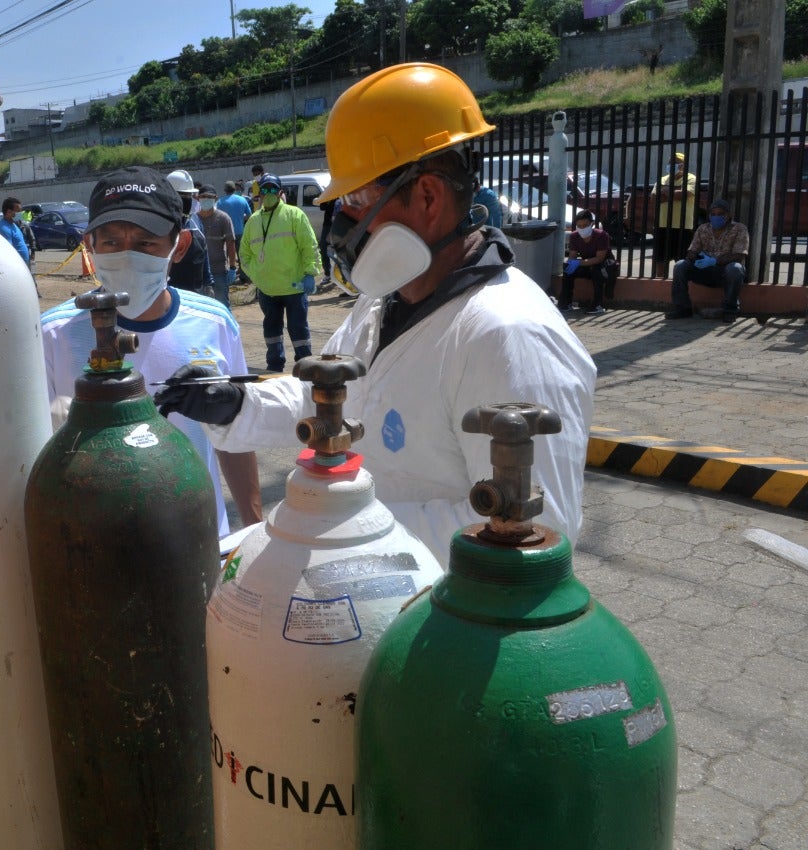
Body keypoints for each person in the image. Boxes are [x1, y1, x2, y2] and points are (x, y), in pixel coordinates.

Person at [156, 63, 595, 566]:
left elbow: (535, 536)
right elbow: (327, 399)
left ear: (427, 197)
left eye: (358, 201)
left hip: (445, 627)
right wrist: (236, 405)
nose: (343, 224)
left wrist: (339, 528)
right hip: (375, 602)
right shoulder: (384, 302)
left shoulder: (508, 335)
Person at [40, 165, 263, 534]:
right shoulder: (53, 335)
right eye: (111, 242)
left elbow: (235, 434)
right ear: (90, 245)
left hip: (200, 538)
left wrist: (254, 530)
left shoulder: (214, 322)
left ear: (179, 246)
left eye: (146, 243)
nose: (128, 256)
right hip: (92, 543)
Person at [238, 173, 321, 372]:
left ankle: (305, 368)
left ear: (281, 192)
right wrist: (257, 276)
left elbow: (309, 246)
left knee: (298, 330)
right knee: (272, 331)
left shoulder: (294, 215)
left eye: (272, 189)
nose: (268, 193)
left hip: (294, 288)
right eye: (264, 190)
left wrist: (310, 273)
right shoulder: (253, 221)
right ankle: (274, 370)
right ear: (259, 194)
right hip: (268, 291)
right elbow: (245, 254)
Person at [667, 198, 749, 323]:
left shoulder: (739, 229)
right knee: (680, 265)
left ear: (728, 215)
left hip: (724, 272)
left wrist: (715, 261)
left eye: (720, 214)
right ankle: (682, 308)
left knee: (735, 268)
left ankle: (730, 310)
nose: (716, 217)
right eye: (713, 214)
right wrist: (696, 257)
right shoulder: (703, 229)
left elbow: (739, 255)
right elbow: (691, 251)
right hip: (704, 271)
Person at [165, 169, 214, 296]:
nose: (187, 200)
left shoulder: (195, 220)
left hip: (196, 292)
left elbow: (204, 253)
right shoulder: (160, 225)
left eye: (189, 196)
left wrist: (209, 283)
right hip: (170, 295)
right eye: (182, 196)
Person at [557, 209, 613, 315]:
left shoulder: (602, 235)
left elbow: (599, 258)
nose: (582, 228)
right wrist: (570, 265)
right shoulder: (574, 236)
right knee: (568, 269)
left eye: (585, 225)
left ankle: (598, 305)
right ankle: (565, 303)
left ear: (591, 224)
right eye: (579, 225)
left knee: (596, 269)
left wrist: (578, 263)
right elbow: (572, 257)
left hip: (605, 266)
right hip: (587, 265)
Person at [650, 151, 696, 278]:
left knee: (682, 261)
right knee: (660, 260)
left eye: (675, 162)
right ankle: (660, 288)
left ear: (683, 165)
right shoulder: (662, 179)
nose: (671, 165)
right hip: (662, 225)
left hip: (683, 227)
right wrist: (674, 194)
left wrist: (665, 191)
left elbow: (683, 195)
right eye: (670, 162)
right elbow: (654, 198)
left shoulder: (691, 178)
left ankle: (679, 287)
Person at [196, 184, 238, 309]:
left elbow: (230, 243)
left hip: (218, 271)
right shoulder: (194, 219)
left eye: (209, 197)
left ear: (215, 198)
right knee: (202, 308)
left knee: (222, 306)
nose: (206, 199)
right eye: (203, 197)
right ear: (198, 198)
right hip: (198, 273)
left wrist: (232, 267)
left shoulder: (223, 218)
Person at [0, 197, 31, 267]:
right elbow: (8, 252)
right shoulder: (3, 228)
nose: (21, 214)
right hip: (17, 266)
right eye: (18, 211)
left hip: (23, 265)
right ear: (9, 211)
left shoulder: (13, 224)